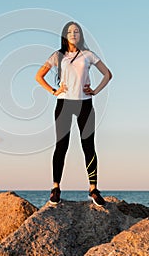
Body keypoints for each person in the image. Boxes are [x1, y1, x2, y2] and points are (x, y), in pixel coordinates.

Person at [35, 21, 112, 206]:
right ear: (64, 35)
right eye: (70, 31)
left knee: (88, 146)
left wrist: (95, 90)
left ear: (81, 35)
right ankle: (55, 188)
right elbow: (39, 76)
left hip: (85, 104)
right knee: (61, 146)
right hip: (64, 104)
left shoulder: (88, 55)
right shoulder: (58, 55)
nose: (73, 33)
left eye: (76, 31)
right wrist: (54, 91)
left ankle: (93, 189)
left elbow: (108, 74)